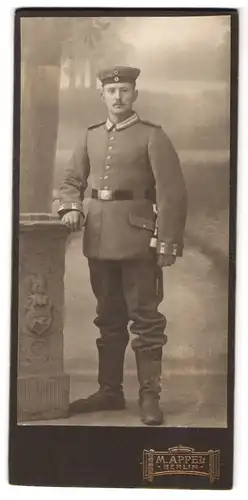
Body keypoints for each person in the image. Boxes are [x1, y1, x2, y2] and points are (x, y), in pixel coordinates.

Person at [58, 66, 187, 425]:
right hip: (98, 239)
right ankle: (110, 392)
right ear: (102, 95)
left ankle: (150, 397)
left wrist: (168, 242)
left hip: (138, 241)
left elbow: (172, 193)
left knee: (146, 320)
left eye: (125, 90)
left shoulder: (152, 136)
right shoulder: (90, 136)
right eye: (112, 91)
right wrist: (70, 206)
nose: (118, 97)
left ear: (135, 94)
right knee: (108, 318)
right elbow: (71, 180)